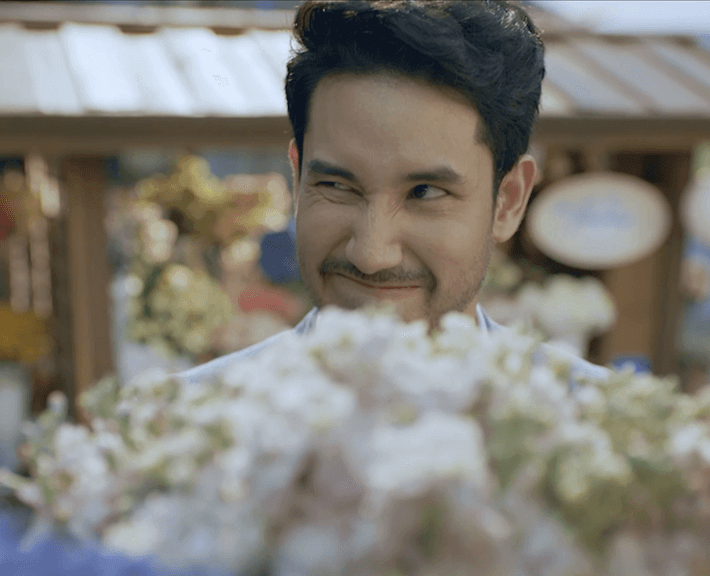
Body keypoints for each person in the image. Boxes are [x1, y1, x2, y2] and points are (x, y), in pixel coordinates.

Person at [180, 0, 608, 386]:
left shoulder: (599, 425)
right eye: (336, 186)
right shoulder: (182, 421)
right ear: (297, 179)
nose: (371, 254)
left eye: (425, 192)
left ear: (508, 202)